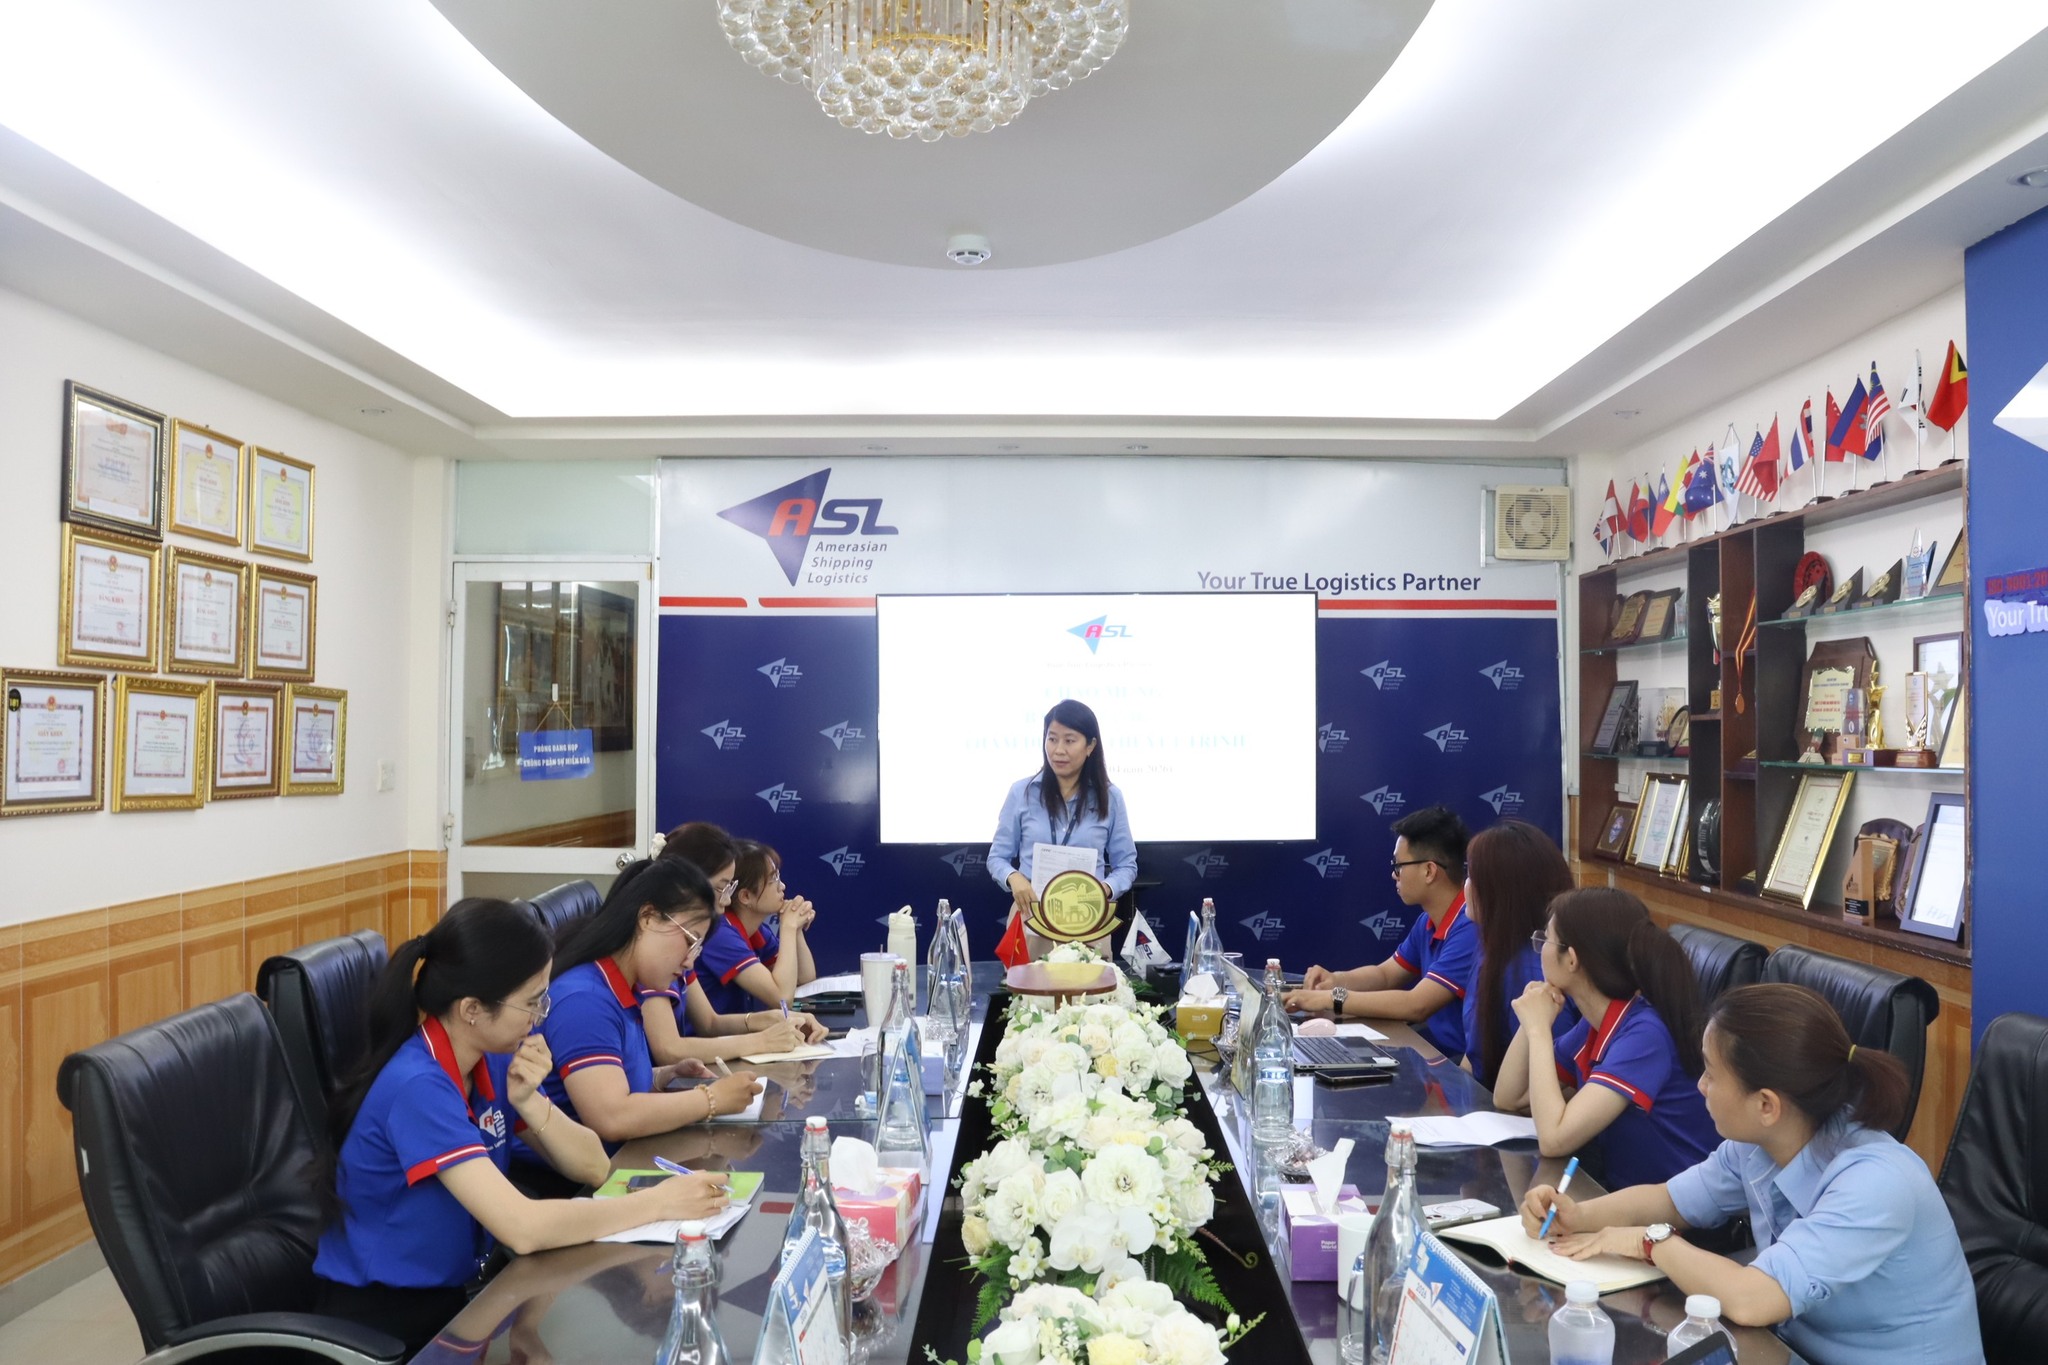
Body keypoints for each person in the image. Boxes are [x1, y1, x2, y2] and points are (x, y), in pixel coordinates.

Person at [313, 898, 733, 1356]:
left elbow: (594, 1167)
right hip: (390, 1324)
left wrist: (530, 1101)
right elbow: (522, 1228)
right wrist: (658, 1203)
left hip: (463, 1299)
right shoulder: (419, 1086)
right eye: (532, 1002)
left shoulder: (490, 1059)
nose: (540, 1017)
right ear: (472, 1009)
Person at [1522, 983, 1983, 1365]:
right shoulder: (1761, 1142)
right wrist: (1577, 1215)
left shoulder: (1877, 1182)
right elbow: (1671, 1200)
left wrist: (1651, 1242)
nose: (1700, 1086)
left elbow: (1751, 1299)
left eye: (1710, 1074)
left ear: (1766, 1104)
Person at [1493, 887, 1716, 1188]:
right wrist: (1532, 1019)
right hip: (1624, 1194)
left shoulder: (1645, 1035)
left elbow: (1554, 1139)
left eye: (1546, 938)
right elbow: (1509, 1097)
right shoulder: (1597, 1022)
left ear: (1572, 959)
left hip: (1678, 1210)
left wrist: (1538, 1029)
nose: (1540, 947)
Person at [537, 859, 764, 1148]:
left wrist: (661, 1076)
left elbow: (606, 1080)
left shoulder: (626, 986)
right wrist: (711, 1099)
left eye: (697, 948)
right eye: (690, 940)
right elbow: (612, 1117)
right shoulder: (584, 1000)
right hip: (582, 1173)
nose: (689, 961)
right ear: (648, 917)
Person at [1285, 805, 1475, 1061]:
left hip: (1462, 1068)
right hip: (1436, 1056)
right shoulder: (1427, 922)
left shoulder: (1469, 926)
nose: (1394, 875)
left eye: (1398, 866)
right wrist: (1336, 979)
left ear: (1429, 871)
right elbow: (1385, 975)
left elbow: (1416, 1005)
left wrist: (1331, 998)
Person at [645, 822, 827, 1061]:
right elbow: (669, 1050)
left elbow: (709, 1023)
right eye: (723, 888)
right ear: (687, 885)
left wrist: (768, 1020)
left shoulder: (685, 938)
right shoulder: (690, 939)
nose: (726, 901)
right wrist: (761, 1040)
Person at [986, 699, 1138, 939]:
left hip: (1088, 921)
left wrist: (1104, 889)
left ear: (1090, 746)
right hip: (1030, 918)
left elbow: (1127, 865)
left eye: (1069, 740)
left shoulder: (1110, 797)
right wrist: (1013, 877)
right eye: (1052, 738)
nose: (1058, 750)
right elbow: (997, 858)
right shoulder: (1022, 792)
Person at [1460, 819, 1578, 1088]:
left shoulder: (1533, 970)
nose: (1466, 886)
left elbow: (1553, 1084)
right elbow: (1474, 1056)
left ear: (1501, 892)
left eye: (1472, 876)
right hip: (1483, 1096)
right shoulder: (1494, 946)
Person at [694, 838, 819, 1016]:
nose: (782, 886)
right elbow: (782, 999)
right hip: (712, 1034)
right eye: (773, 879)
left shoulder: (757, 931)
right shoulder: (720, 935)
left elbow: (805, 979)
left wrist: (796, 929)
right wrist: (788, 927)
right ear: (745, 896)